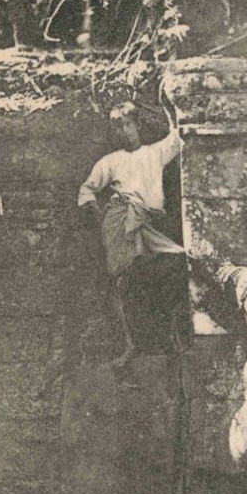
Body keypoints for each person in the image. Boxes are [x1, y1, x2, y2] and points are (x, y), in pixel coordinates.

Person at [78, 103, 185, 365]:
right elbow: (87, 189)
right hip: (121, 219)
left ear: (137, 124)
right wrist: (100, 212)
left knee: (178, 260)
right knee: (126, 279)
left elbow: (177, 136)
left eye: (128, 123)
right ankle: (132, 344)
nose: (124, 131)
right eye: (118, 126)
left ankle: (168, 337)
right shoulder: (111, 161)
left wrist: (170, 103)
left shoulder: (154, 153)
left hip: (148, 223)